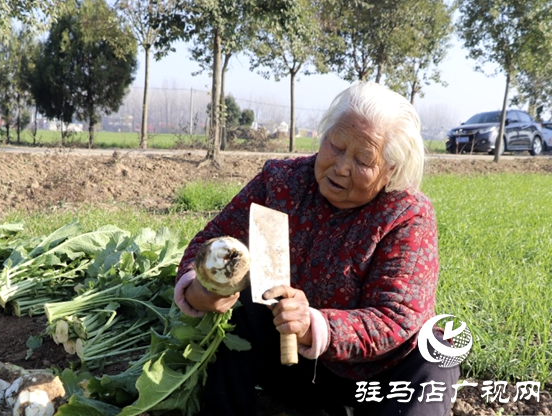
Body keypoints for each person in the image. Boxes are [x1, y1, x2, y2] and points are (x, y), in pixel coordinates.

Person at [174, 82, 459, 416]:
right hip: (289, 363)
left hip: (376, 380)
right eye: (335, 146)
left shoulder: (407, 214)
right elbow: (211, 242)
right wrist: (199, 289)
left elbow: (396, 317)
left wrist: (314, 325)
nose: (341, 167)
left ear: (390, 171)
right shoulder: (281, 182)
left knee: (433, 355)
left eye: (363, 160)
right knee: (243, 313)